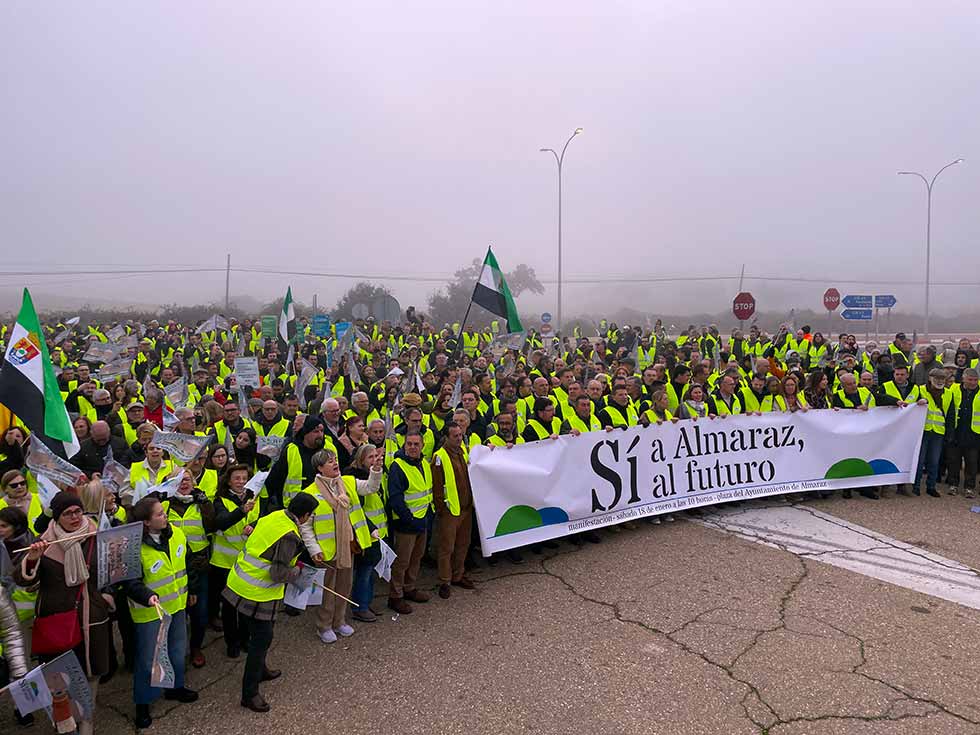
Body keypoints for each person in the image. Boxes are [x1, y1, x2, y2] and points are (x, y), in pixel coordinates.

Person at [16, 492, 111, 735]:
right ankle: (65, 724)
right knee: (60, 678)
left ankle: (87, 723)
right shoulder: (44, 543)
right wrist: (33, 559)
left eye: (78, 511)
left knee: (90, 675)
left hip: (91, 617)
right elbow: (22, 579)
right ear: (57, 517)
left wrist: (108, 596)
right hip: (58, 621)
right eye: (67, 513)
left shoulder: (95, 535)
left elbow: (111, 569)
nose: (74, 517)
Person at [223, 493, 317, 714]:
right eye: (310, 515)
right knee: (262, 640)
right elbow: (278, 572)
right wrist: (298, 571)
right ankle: (250, 694)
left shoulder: (275, 516)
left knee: (257, 636)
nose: (310, 519)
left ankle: (261, 670)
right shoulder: (289, 535)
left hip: (240, 581)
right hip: (257, 591)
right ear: (303, 516)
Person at [124, 497, 199, 729]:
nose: (165, 516)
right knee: (149, 660)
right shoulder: (133, 546)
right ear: (146, 522)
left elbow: (188, 562)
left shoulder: (175, 533)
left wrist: (192, 589)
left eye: (163, 513)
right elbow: (130, 582)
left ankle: (174, 688)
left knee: (177, 650)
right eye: (159, 515)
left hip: (176, 606)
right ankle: (143, 703)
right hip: (150, 614)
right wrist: (146, 596)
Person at [299, 448, 381, 642]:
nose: (335, 463)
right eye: (329, 461)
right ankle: (324, 626)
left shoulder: (348, 482)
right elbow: (305, 526)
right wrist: (314, 549)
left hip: (347, 547)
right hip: (326, 552)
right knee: (328, 591)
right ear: (319, 468)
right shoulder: (309, 493)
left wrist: (376, 470)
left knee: (345, 586)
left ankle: (340, 621)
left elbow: (370, 487)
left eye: (335, 459)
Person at [163, 471, 215, 668]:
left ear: (193, 482)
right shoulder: (165, 504)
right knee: (176, 612)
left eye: (187, 479)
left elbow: (212, 525)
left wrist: (205, 503)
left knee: (199, 612)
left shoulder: (200, 502)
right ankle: (175, 651)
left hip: (199, 564)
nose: (183, 483)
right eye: (177, 480)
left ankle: (196, 647)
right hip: (173, 567)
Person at [209, 464, 260, 654]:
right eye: (236, 478)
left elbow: (260, 518)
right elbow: (221, 522)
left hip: (247, 561)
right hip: (224, 562)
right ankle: (232, 643)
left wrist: (253, 525)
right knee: (229, 607)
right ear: (228, 481)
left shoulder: (254, 497)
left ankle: (245, 639)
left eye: (244, 478)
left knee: (246, 604)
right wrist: (241, 511)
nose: (241, 482)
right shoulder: (220, 500)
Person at [386, 432, 432, 614]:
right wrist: (410, 519)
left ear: (422, 446)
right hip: (407, 523)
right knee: (401, 562)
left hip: (422, 519)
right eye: (409, 444)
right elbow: (395, 499)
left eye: (416, 444)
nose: (412, 447)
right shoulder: (398, 466)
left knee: (416, 558)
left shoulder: (424, 463)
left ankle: (409, 588)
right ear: (404, 446)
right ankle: (395, 596)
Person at [432, 424, 476, 598]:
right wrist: (442, 510)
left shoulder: (463, 451)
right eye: (455, 436)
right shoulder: (439, 457)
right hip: (450, 511)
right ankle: (445, 580)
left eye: (460, 435)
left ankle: (458, 574)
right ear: (446, 438)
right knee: (446, 548)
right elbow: (436, 487)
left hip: (465, 508)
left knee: (463, 544)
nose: (459, 438)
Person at [915, 368, 954, 498]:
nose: (939, 381)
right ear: (930, 378)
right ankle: (916, 486)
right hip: (922, 430)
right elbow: (910, 407)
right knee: (919, 461)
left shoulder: (949, 393)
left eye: (942, 379)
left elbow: (951, 415)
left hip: (938, 431)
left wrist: (949, 433)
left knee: (934, 461)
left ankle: (931, 487)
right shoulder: (920, 390)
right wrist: (917, 402)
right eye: (936, 378)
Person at [947, 368, 980, 498]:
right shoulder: (953, 389)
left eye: (975, 380)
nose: (973, 382)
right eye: (970, 380)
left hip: (974, 432)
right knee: (953, 460)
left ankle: (969, 487)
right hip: (956, 430)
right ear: (963, 379)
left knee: (972, 462)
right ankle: (953, 485)